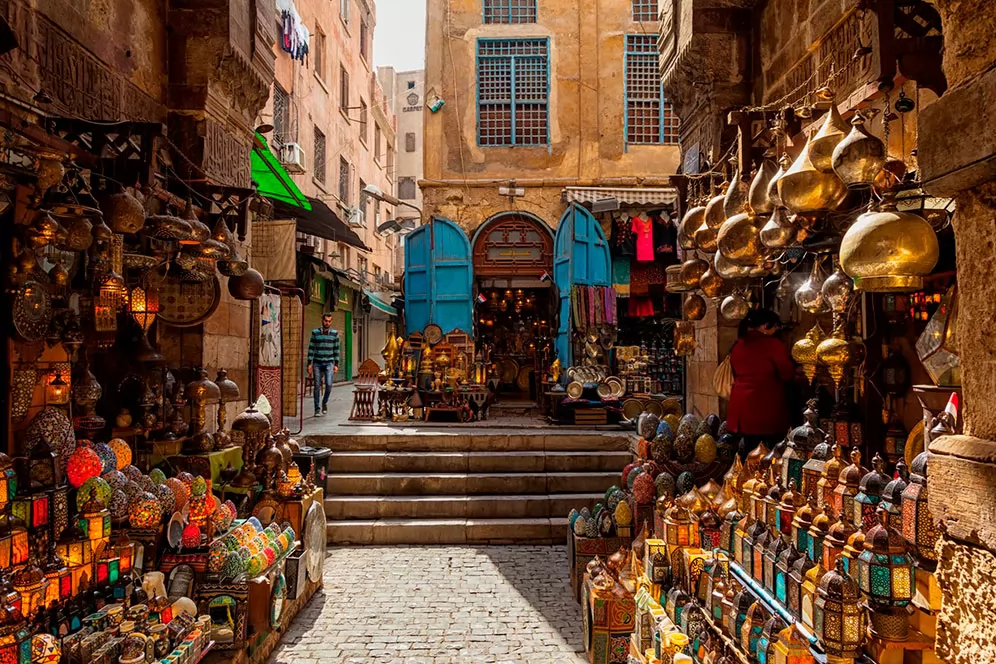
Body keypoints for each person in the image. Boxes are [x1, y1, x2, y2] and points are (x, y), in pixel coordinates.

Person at [726, 308, 795, 459]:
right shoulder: (772, 344)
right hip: (765, 407)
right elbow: (787, 373)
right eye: (775, 326)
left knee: (749, 452)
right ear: (765, 325)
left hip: (741, 409)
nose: (776, 330)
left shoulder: (738, 345)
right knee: (768, 454)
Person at [307, 313, 340, 417]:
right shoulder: (315, 333)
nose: (327, 323)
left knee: (329, 385)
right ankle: (317, 409)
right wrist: (309, 363)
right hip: (317, 362)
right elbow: (311, 348)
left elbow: (336, 349)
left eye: (329, 321)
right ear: (322, 321)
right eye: (326, 321)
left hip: (329, 363)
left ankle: (324, 402)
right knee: (317, 385)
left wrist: (336, 364)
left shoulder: (334, 334)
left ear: (331, 322)